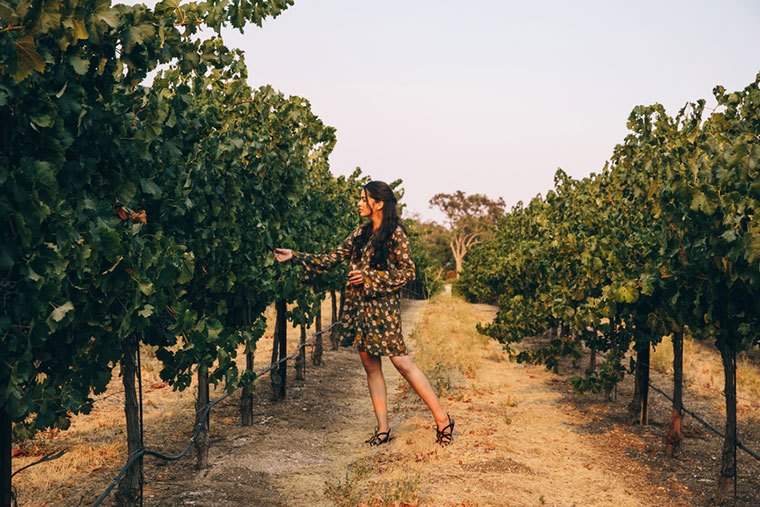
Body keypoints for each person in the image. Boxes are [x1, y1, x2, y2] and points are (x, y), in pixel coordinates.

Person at [273, 181, 455, 447]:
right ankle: (383, 429)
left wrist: (368, 276)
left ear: (378, 203)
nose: (359, 203)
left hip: (383, 310)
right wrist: (295, 256)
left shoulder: (395, 234)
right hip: (360, 309)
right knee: (370, 366)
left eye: (363, 198)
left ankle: (443, 420)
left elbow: (407, 272)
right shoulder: (361, 232)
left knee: (402, 363)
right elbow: (332, 257)